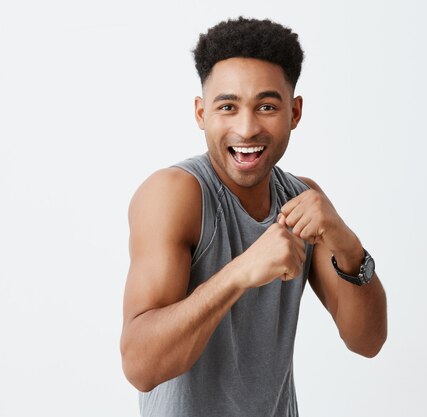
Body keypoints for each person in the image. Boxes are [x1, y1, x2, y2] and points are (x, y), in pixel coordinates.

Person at [120, 17, 387, 417]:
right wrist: (241, 272)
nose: (246, 129)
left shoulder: (302, 200)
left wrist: (345, 241)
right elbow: (140, 366)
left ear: (294, 112)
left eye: (266, 107)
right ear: (200, 113)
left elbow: (368, 341)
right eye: (227, 107)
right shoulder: (175, 194)